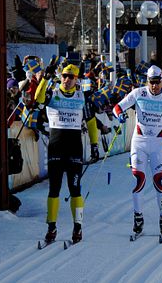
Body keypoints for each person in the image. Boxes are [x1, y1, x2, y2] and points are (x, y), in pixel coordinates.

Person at [112, 65, 162, 238]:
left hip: (158, 143)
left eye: (157, 82)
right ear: (147, 81)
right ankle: (138, 218)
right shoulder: (138, 93)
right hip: (139, 142)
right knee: (139, 179)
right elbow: (117, 107)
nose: (154, 86)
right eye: (151, 82)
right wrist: (120, 116)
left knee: (159, 182)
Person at [34, 64, 99, 245]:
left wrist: (94, 145)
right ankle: (51, 227)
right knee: (54, 189)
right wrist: (45, 78)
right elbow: (37, 99)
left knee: (75, 189)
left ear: (77, 79)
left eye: (70, 77)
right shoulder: (53, 93)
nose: (66, 79)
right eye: (64, 76)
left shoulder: (82, 97)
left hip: (74, 149)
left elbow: (91, 121)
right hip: (56, 148)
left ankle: (77, 227)